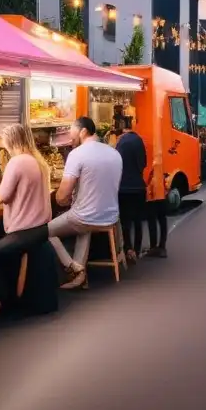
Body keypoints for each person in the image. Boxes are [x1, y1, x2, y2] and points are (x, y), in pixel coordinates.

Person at [0, 124, 52, 316]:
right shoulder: (37, 160)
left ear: (11, 141)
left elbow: (3, 196)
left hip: (23, 230)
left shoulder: (17, 162)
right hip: (39, 228)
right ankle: (6, 298)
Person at [47, 116, 123, 289]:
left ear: (83, 131)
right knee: (83, 226)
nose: (69, 137)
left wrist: (60, 197)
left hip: (85, 217)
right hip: (111, 216)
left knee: (45, 232)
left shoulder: (77, 154)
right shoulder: (114, 153)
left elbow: (62, 196)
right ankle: (80, 278)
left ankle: (73, 267)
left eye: (71, 132)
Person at [116, 116, 147, 263]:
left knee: (125, 221)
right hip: (139, 187)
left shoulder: (120, 142)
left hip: (123, 188)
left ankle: (128, 249)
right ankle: (137, 249)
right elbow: (143, 163)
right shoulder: (139, 141)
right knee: (138, 221)